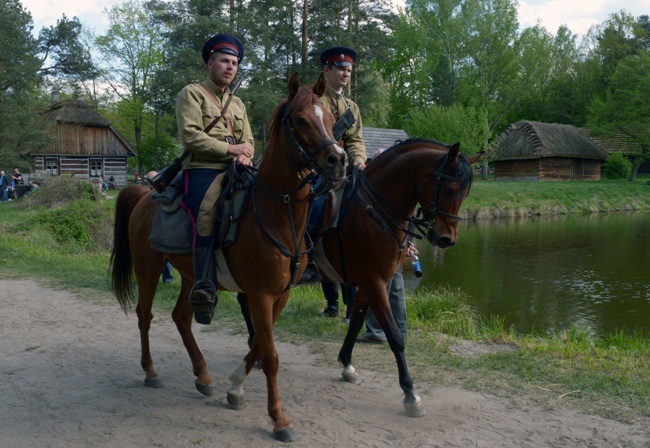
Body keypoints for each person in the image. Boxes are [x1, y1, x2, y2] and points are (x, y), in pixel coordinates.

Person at [177, 33, 254, 325]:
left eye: (234, 63)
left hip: (238, 168)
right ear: (210, 63)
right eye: (224, 61)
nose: (230, 67)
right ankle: (205, 285)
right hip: (202, 168)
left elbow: (248, 138)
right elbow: (192, 136)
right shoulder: (192, 93)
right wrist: (230, 149)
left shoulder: (238, 103)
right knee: (207, 210)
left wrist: (246, 154)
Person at [357, 242, 418, 344]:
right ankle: (399, 331)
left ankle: (376, 333)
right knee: (395, 287)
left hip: (385, 238)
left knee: (377, 283)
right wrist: (406, 242)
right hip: (399, 238)